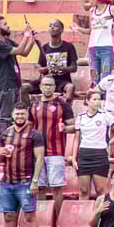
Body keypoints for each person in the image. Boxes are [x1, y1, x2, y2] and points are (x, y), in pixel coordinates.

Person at [29, 75, 75, 214]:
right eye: (45, 85)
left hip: (56, 151)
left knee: (56, 187)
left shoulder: (63, 105)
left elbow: (73, 126)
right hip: (37, 153)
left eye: (50, 85)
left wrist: (64, 128)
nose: (47, 87)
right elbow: (29, 127)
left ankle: (59, 216)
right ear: (41, 87)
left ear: (55, 87)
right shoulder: (34, 105)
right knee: (40, 187)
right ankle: (43, 216)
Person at [0, 103, 44, 227]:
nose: (20, 116)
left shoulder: (35, 135)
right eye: (17, 113)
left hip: (26, 182)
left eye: (22, 113)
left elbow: (40, 159)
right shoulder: (5, 134)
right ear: (12, 115)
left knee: (29, 217)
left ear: (27, 115)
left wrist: (35, 181)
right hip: (7, 182)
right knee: (8, 216)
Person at [72, 90, 114, 200]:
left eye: (99, 99)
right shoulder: (81, 117)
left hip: (100, 155)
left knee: (100, 191)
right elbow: (77, 138)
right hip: (84, 155)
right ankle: (83, 216)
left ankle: (102, 216)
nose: (97, 102)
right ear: (87, 101)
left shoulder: (105, 115)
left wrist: (109, 143)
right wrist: (74, 158)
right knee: (83, 191)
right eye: (94, 99)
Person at [0, 16, 34, 134]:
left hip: (14, 84)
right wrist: (26, 35)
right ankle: (0, 146)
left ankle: (10, 144)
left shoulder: (7, 41)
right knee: (5, 118)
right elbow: (18, 50)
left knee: (13, 118)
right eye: (5, 24)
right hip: (5, 85)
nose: (8, 26)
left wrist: (31, 40)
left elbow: (24, 52)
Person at [74, 0, 114, 84]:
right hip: (93, 49)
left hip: (106, 48)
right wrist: (78, 28)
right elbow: (90, 31)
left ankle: (105, 97)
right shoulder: (92, 11)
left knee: (106, 75)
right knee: (94, 76)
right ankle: (95, 96)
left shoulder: (111, 9)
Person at [34, 19, 77, 101]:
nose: (52, 27)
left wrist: (61, 68)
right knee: (24, 87)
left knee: (71, 87)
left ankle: (66, 109)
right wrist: (45, 69)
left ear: (62, 30)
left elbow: (74, 67)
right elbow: (40, 67)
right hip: (47, 81)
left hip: (63, 81)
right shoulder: (44, 47)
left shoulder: (69, 46)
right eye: (50, 26)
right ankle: (31, 111)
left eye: (55, 26)